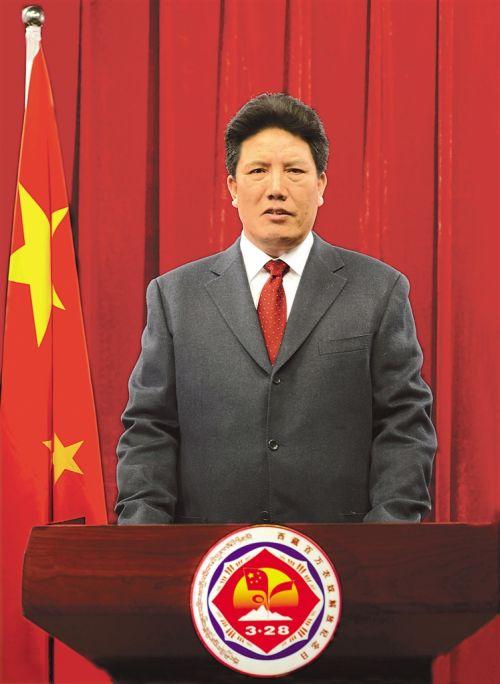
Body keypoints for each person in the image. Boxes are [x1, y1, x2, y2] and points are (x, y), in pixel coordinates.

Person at [115, 93, 437, 525]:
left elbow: (404, 424)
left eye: (295, 171)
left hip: (341, 555)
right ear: (233, 188)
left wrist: (385, 539)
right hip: (208, 554)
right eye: (258, 171)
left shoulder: (378, 290)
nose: (276, 188)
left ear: (321, 185)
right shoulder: (175, 297)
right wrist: (146, 541)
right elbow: (150, 428)